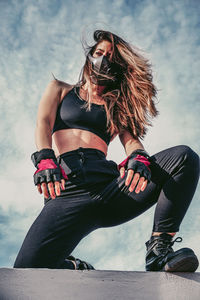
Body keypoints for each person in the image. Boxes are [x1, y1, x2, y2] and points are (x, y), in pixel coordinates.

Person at [14, 30, 199, 272]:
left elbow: (131, 141)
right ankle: (70, 265)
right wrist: (45, 159)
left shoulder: (117, 106)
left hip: (110, 188)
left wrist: (138, 158)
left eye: (110, 56)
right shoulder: (60, 89)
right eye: (99, 53)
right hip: (68, 190)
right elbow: (43, 123)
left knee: (184, 158)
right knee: (25, 271)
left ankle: (159, 249)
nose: (103, 59)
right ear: (89, 57)